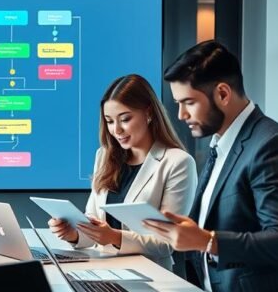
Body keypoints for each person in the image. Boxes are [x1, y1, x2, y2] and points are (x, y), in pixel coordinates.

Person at [142, 40, 278, 292]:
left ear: (222, 93)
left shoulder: (271, 146)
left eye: (188, 102)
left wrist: (208, 241)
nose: (181, 116)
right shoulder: (222, 146)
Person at [48, 74, 196, 271]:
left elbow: (169, 241)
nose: (116, 130)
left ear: (149, 113)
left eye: (125, 119)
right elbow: (93, 221)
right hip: (103, 271)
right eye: (109, 121)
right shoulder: (104, 156)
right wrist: (73, 234)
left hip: (153, 276)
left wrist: (114, 237)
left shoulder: (178, 162)